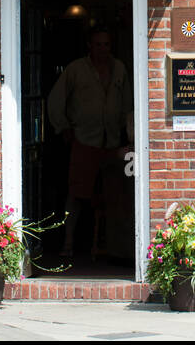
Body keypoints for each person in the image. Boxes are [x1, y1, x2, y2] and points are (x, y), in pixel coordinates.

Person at [47, 26, 133, 259]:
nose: (103, 49)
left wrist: (131, 135)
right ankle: (68, 243)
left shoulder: (119, 69)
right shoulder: (76, 69)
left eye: (106, 44)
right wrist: (63, 127)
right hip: (84, 140)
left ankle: (116, 247)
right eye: (98, 44)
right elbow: (55, 100)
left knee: (114, 194)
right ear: (89, 46)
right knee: (76, 193)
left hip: (114, 142)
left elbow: (128, 104)